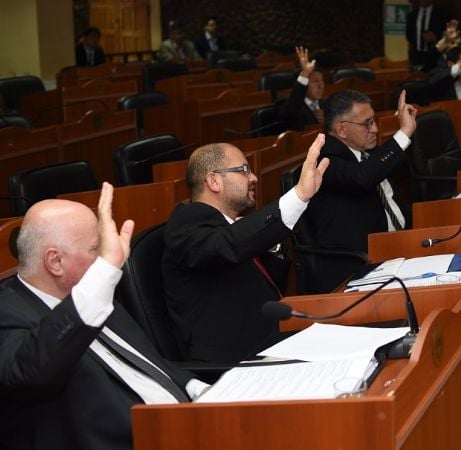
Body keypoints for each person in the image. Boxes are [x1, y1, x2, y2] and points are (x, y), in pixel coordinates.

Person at [0, 183, 207, 450]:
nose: (106, 259)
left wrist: (197, 388)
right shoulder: (9, 313)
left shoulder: (91, 293)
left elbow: (148, 363)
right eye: (96, 249)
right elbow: (32, 370)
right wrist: (105, 272)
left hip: (191, 422)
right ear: (55, 262)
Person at [162, 135, 329, 363]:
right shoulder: (186, 222)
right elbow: (227, 245)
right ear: (214, 181)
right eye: (243, 170)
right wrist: (299, 196)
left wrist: (268, 243)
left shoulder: (228, 225)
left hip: (267, 336)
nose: (254, 178)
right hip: (232, 358)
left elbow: (270, 285)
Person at [303, 89, 417, 292]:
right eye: (367, 123)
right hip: (356, 268)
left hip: (396, 247)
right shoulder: (325, 160)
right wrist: (404, 132)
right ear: (342, 130)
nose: (374, 129)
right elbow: (362, 177)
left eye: (374, 121)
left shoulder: (367, 156)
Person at [281, 46, 326, 130]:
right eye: (316, 81)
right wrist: (305, 73)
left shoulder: (327, 105)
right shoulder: (291, 106)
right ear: (305, 84)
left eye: (322, 81)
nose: (321, 86)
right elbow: (292, 111)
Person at [405, 0, 448, 71]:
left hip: (434, 56)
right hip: (416, 56)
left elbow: (448, 37)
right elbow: (409, 36)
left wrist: (436, 38)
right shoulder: (412, 15)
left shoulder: (441, 15)